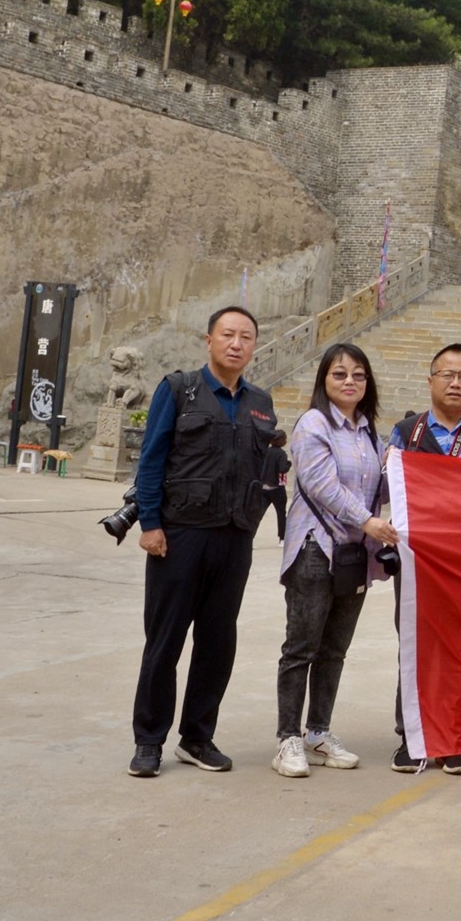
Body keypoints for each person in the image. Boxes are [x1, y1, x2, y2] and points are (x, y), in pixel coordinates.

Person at [127, 307, 278, 778]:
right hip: (180, 536)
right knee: (165, 642)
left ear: (254, 347)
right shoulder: (179, 389)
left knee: (217, 644)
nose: (236, 344)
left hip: (234, 539)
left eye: (246, 337)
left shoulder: (260, 402)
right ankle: (149, 741)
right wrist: (150, 523)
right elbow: (152, 459)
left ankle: (197, 737)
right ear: (209, 340)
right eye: (227, 334)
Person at [272, 344, 398, 779]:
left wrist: (403, 472)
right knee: (301, 647)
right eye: (340, 374)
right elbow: (322, 486)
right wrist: (368, 522)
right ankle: (287, 738)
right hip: (315, 548)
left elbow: (378, 489)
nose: (350, 382)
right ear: (324, 379)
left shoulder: (369, 432)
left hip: (353, 555)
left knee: (334, 650)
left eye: (359, 375)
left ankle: (318, 732)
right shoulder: (313, 424)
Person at [388, 343, 461, 776]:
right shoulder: (406, 432)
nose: (455, 383)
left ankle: (455, 738)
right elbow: (392, 489)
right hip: (418, 561)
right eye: (447, 374)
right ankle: (412, 738)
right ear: (430, 380)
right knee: (414, 646)